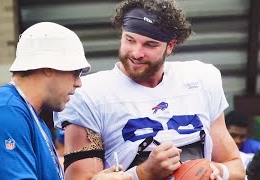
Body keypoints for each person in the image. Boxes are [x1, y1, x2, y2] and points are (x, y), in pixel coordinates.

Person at [53, 0, 245, 179]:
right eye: (130, 40)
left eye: (150, 44)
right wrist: (143, 173)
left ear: (170, 46)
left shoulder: (202, 79)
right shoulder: (90, 94)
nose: (137, 53)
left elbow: (235, 166)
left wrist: (213, 170)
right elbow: (82, 179)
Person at [0, 22, 132, 180]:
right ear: (48, 67)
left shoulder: (27, 115)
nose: (79, 83)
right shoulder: (5, 114)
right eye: (75, 72)